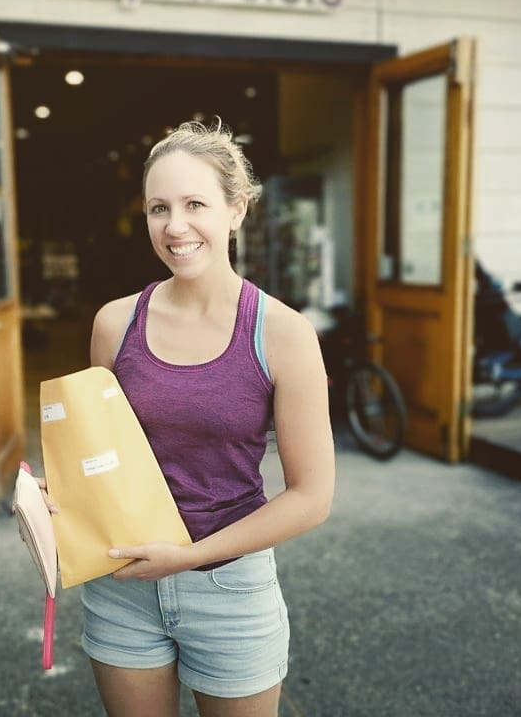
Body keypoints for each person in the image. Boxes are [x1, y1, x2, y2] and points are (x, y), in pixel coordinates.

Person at [44, 119, 335, 717]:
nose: (174, 226)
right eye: (158, 208)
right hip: (120, 582)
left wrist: (193, 557)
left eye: (194, 203)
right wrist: (58, 497)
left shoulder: (283, 334)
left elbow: (312, 496)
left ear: (237, 210)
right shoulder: (114, 323)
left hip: (230, 588)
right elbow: (103, 459)